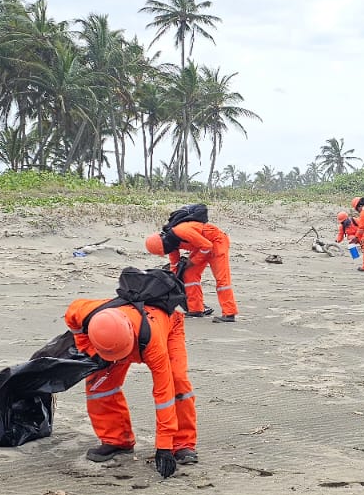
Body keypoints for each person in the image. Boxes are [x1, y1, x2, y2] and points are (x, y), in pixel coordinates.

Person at [64, 295, 197, 474]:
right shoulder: (86, 313)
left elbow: (163, 394)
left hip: (166, 327)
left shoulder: (153, 342)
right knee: (98, 384)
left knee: (176, 381)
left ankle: (181, 443)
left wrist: (163, 446)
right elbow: (73, 321)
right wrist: (88, 349)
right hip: (111, 341)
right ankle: (117, 440)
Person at [147, 203, 238, 321]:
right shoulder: (171, 244)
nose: (167, 252)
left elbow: (207, 246)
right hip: (201, 247)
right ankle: (195, 309)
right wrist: (173, 281)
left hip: (216, 241)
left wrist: (192, 261)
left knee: (221, 278)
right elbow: (174, 265)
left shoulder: (181, 231)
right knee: (189, 275)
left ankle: (229, 313)